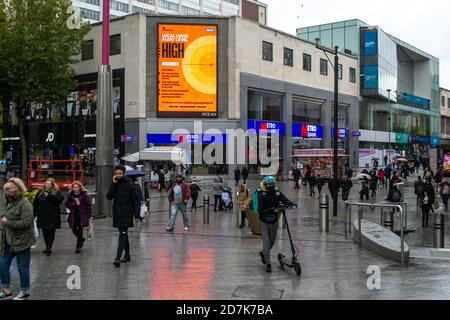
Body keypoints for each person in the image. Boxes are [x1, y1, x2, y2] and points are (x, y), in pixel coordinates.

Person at [0, 178, 34, 300]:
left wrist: (8, 222)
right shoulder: (8, 202)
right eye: (5, 191)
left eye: (8, 191)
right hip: (7, 241)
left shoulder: (25, 204)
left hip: (22, 241)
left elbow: (26, 222)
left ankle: (24, 291)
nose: (6, 193)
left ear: (16, 192)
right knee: (2, 264)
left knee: (22, 267)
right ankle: (7, 290)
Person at [257, 176, 294, 273]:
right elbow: (260, 210)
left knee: (272, 241)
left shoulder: (277, 192)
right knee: (266, 242)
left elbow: (284, 199)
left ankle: (264, 253)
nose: (270, 187)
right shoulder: (261, 195)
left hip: (274, 220)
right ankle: (267, 262)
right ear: (265, 185)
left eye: (272, 185)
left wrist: (290, 203)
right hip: (264, 221)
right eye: (268, 185)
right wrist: (270, 210)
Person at [107, 165, 140, 268]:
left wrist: (137, 215)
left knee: (122, 234)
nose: (118, 175)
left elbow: (136, 200)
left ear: (124, 173)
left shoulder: (130, 184)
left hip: (126, 213)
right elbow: (109, 196)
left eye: (120, 173)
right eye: (116, 173)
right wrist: (113, 183)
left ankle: (117, 258)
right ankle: (127, 255)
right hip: (117, 214)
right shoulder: (115, 184)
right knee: (123, 234)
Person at [34, 178, 64, 256]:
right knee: (45, 231)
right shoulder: (40, 192)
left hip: (52, 215)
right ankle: (47, 245)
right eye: (46, 183)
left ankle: (49, 247)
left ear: (52, 185)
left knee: (51, 231)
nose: (47, 185)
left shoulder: (56, 192)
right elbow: (36, 203)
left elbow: (60, 200)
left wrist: (50, 196)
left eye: (48, 184)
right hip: (42, 214)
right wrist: (34, 213)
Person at [65, 181, 92, 253]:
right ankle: (81, 239)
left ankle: (78, 247)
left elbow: (88, 206)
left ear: (80, 188)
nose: (75, 189)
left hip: (82, 215)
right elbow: (67, 204)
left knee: (80, 230)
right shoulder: (70, 195)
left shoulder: (84, 195)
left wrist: (89, 216)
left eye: (76, 187)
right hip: (73, 215)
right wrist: (75, 204)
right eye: (74, 187)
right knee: (73, 229)